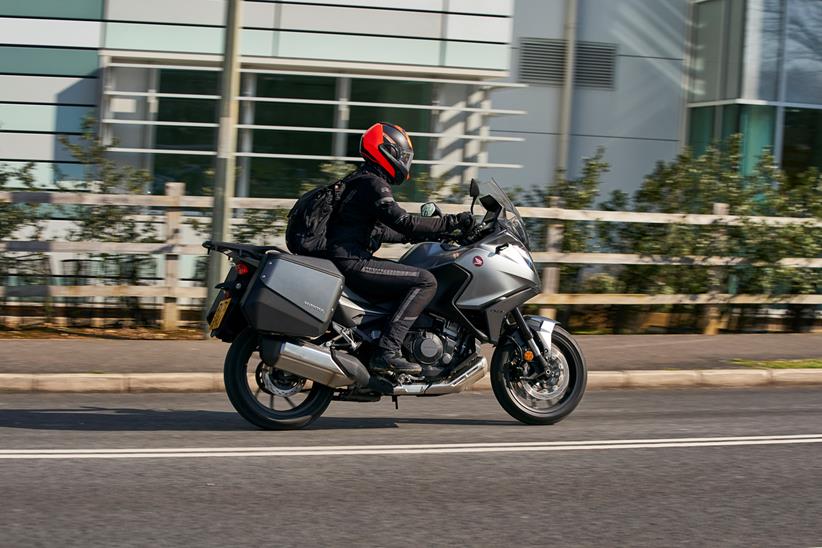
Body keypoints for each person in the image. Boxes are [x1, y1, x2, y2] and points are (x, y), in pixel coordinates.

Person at [326, 122, 474, 375]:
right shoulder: (373, 184)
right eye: (403, 156)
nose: (405, 162)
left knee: (410, 274)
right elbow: (404, 221)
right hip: (353, 262)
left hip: (347, 258)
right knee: (425, 281)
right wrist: (452, 222)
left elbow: (381, 230)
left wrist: (414, 238)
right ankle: (387, 352)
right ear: (386, 151)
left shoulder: (360, 180)